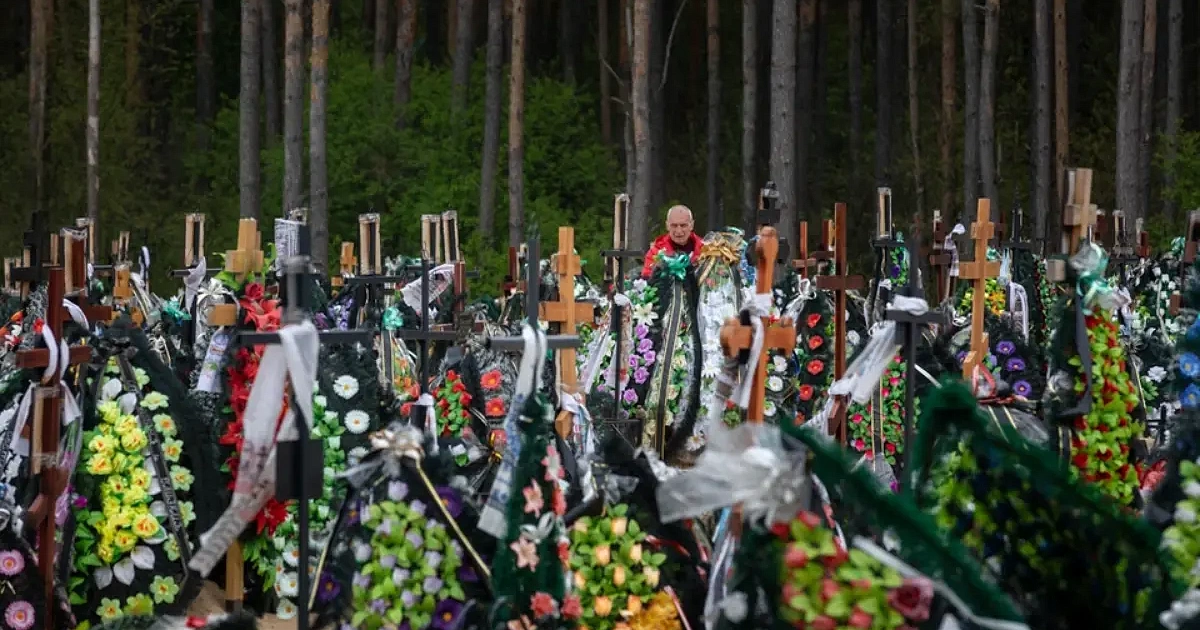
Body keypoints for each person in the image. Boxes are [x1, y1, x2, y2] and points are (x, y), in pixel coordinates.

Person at [642, 205, 703, 277]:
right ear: (667, 226)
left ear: (691, 225)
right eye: (674, 225)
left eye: (683, 225)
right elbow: (646, 280)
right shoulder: (655, 252)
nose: (679, 231)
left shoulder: (706, 250)